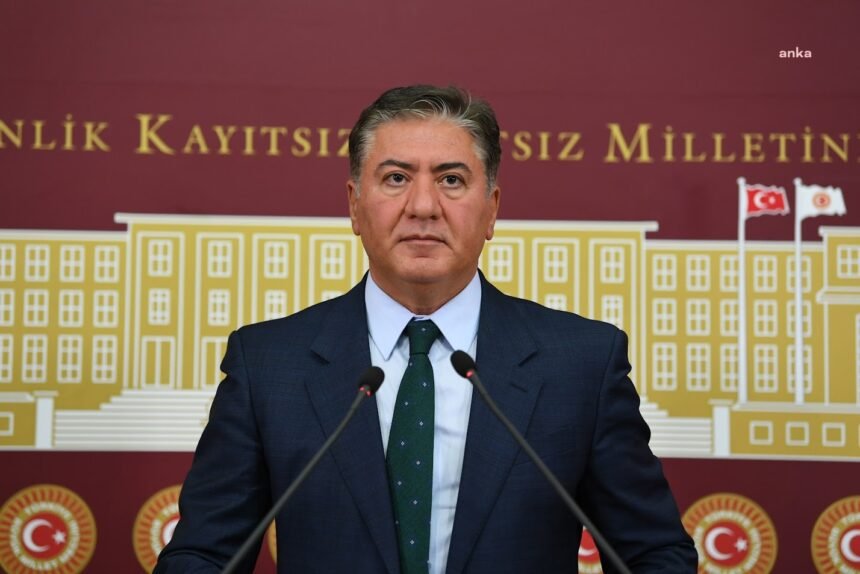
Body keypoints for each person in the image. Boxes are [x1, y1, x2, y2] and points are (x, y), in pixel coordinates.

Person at [155, 85, 697, 573]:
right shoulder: (269, 364)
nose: (422, 206)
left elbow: (653, 555)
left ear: (491, 210)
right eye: (396, 178)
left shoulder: (580, 365)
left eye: (451, 180)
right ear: (354, 206)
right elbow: (205, 555)